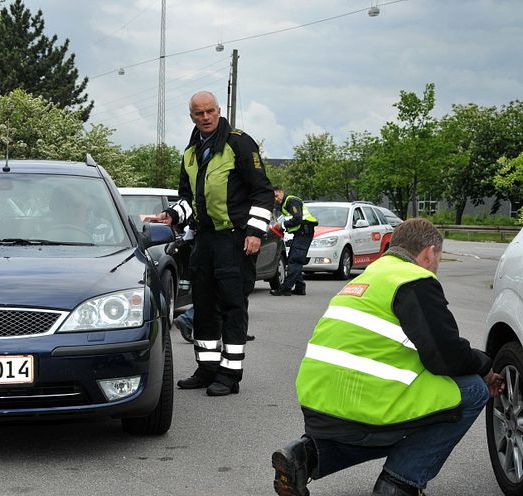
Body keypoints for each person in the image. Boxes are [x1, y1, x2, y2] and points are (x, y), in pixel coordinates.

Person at [272, 218, 504, 496]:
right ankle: (400, 483)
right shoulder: (414, 279)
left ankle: (303, 456)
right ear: (429, 252)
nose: (436, 266)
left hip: (318, 406)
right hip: (363, 407)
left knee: (379, 428)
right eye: (438, 259)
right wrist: (484, 367)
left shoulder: (368, 277)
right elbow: (447, 357)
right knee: (472, 391)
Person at [153, 90, 274, 396]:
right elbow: (188, 199)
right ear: (191, 116)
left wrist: (254, 233)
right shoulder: (191, 152)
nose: (205, 117)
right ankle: (207, 368)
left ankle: (230, 374)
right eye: (198, 113)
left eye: (209, 111)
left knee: (233, 305)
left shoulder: (239, 143)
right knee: (204, 305)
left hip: (234, 239)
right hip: (204, 239)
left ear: (218, 111)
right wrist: (172, 215)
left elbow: (262, 193)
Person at [270, 188, 317, 296]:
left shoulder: (291, 201)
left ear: (282, 192)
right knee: (294, 259)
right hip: (301, 233)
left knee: (294, 261)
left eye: (276, 196)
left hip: (304, 232)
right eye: (273, 197)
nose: (275, 199)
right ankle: (300, 287)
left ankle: (285, 288)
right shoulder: (284, 204)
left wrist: (282, 225)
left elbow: (297, 218)